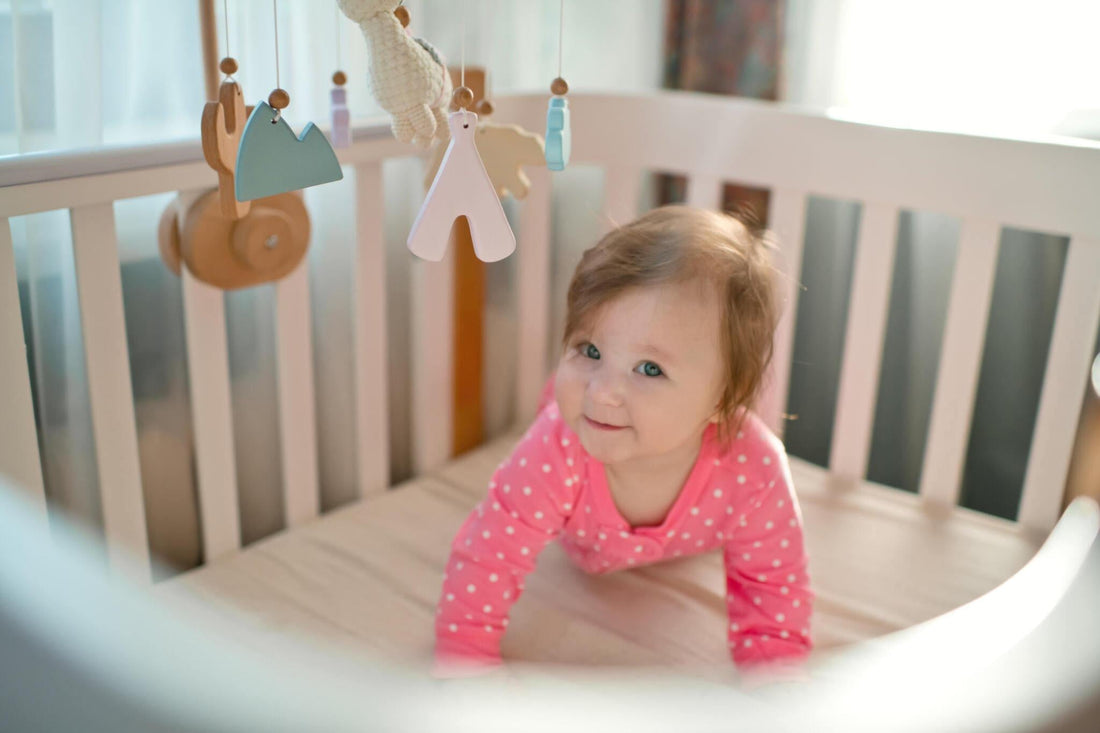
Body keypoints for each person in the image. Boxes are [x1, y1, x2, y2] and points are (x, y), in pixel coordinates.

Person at [434, 205, 813, 678]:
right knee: (563, 403)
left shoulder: (751, 470)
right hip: (576, 501)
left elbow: (773, 584)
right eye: (589, 350)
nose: (602, 391)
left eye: (650, 369)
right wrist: (465, 659)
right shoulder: (558, 448)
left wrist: (774, 678)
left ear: (723, 398)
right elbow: (488, 555)